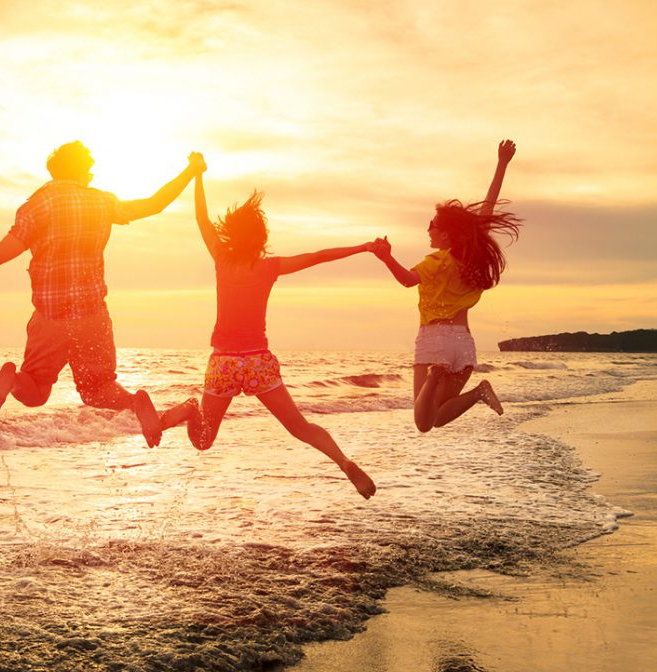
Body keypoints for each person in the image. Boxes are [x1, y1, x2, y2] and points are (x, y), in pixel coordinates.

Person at [0, 142, 205, 447]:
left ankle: (13, 379)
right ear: (84, 172)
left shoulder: (37, 205)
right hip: (92, 316)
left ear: (54, 170)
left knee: (36, 391)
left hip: (50, 319)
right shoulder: (102, 202)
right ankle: (136, 403)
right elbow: (154, 204)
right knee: (98, 389)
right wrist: (190, 170)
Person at [184, 153, 377, 499]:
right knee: (299, 426)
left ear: (231, 232)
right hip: (258, 361)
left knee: (202, 440)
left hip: (224, 361)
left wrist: (198, 175)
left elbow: (200, 218)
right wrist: (362, 247)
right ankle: (342, 460)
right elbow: (318, 255)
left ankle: (186, 410)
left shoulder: (222, 259)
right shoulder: (269, 267)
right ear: (260, 237)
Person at [371, 140, 522, 432]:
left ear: (446, 234)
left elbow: (405, 280)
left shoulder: (435, 263)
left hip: (434, 339)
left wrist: (387, 258)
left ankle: (433, 376)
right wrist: (502, 163)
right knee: (436, 418)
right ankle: (479, 392)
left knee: (421, 422)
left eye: (433, 224)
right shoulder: (473, 259)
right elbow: (489, 205)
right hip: (463, 344)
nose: (429, 229)